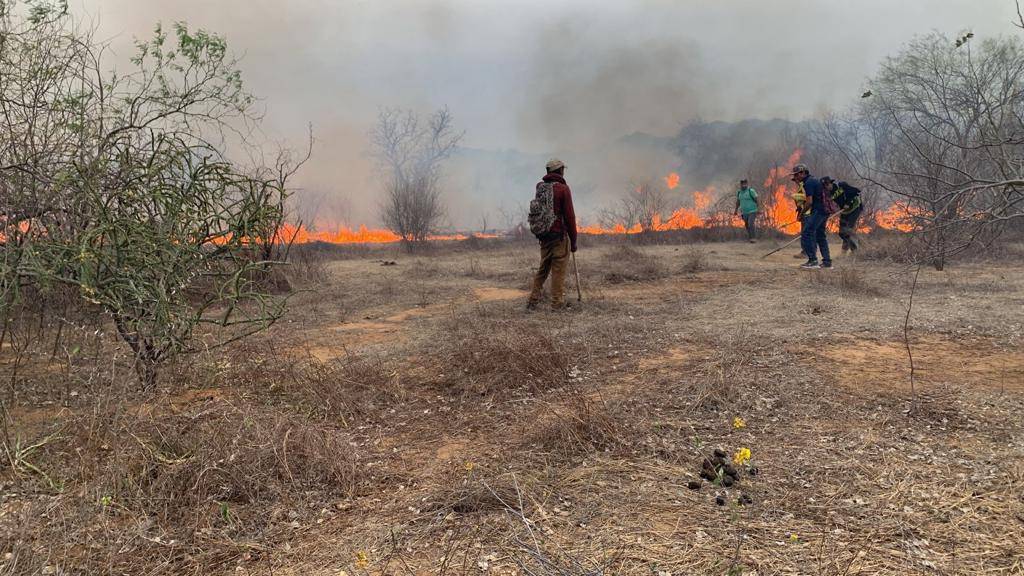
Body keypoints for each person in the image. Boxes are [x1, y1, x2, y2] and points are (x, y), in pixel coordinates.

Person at [527, 158, 578, 310]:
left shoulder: (540, 187)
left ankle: (532, 301)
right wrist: (573, 241)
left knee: (543, 269)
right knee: (558, 270)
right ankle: (557, 304)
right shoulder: (563, 189)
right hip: (559, 237)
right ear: (560, 171)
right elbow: (570, 217)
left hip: (544, 236)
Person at [791, 163, 831, 269]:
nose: (795, 177)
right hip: (824, 211)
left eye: (796, 175)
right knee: (820, 236)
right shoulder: (813, 180)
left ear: (803, 173)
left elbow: (809, 202)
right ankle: (827, 262)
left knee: (807, 233)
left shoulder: (808, 183)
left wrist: (801, 214)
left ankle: (812, 260)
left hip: (818, 210)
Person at [822, 177, 863, 252]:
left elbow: (855, 191)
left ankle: (856, 249)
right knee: (841, 232)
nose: (827, 187)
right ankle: (845, 249)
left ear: (831, 183)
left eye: (827, 184)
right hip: (845, 211)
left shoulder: (840, 185)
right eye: (825, 186)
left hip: (855, 208)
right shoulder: (829, 194)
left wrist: (848, 203)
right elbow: (830, 204)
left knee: (848, 229)